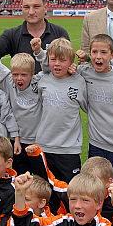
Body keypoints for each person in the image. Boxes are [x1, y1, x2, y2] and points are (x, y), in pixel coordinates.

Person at [75, 34, 113, 180]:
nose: (98, 56)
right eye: (94, 52)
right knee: (95, 184)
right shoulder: (84, 72)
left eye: (104, 52)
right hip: (95, 142)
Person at [32, 37, 87, 183]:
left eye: (62, 60)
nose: (57, 64)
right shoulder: (42, 80)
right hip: (44, 146)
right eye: (53, 59)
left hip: (69, 149)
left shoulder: (79, 81)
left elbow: (88, 107)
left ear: (71, 62)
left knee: (69, 191)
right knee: (43, 190)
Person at [0, 49, 41, 175]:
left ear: (32, 74)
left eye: (24, 75)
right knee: (18, 176)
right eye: (15, 74)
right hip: (16, 141)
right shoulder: (9, 83)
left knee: (39, 178)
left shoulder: (39, 83)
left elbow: (51, 71)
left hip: (37, 141)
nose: (19, 78)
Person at [0, 0, 70, 72]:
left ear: (45, 8)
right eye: (26, 7)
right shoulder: (11, 35)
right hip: (22, 81)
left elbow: (68, 63)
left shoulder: (60, 33)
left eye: (36, 7)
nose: (31, 12)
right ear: (21, 8)